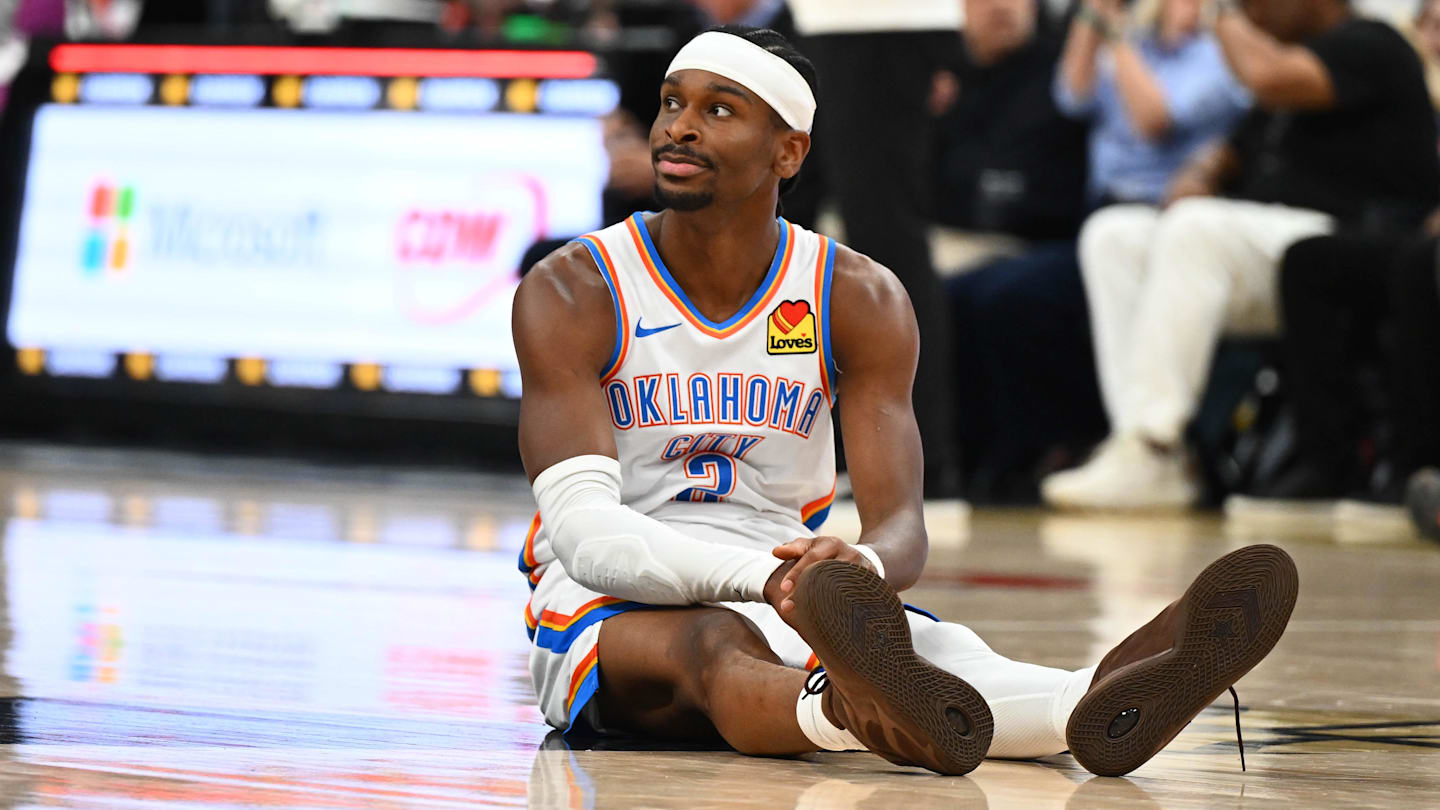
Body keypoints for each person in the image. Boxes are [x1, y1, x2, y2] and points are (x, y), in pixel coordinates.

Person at [514, 26, 1298, 777]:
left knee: (954, 659)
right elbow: (585, 534)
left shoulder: (857, 296)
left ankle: (1098, 699)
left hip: (796, 587)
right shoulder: (574, 288)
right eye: (671, 103)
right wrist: (777, 580)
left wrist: (862, 562)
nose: (678, 128)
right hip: (610, 600)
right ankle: (849, 715)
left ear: (789, 151)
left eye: (718, 110)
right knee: (712, 647)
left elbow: (903, 530)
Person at [1042, 0, 1440, 510]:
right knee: (1114, 233)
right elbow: (1234, 145)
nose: (1250, 11)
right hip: (1255, 242)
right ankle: (1147, 452)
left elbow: (1267, 76)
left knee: (1197, 228)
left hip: (1343, 244)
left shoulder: (1373, 44)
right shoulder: (1287, 60)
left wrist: (1217, 10)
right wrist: (1200, 172)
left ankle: (1154, 437)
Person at [786, 0, 964, 496]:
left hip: (881, 25)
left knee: (887, 243)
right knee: (792, 234)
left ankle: (915, 466)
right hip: (836, 25)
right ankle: (812, 449)